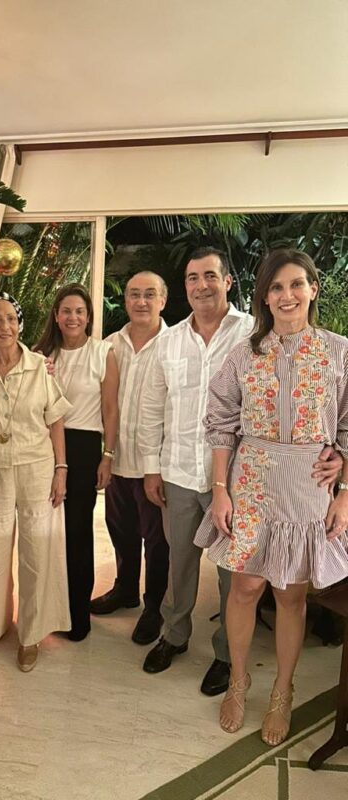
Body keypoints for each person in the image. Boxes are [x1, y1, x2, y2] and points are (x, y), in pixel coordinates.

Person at [139, 246, 341, 695]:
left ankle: (236, 663)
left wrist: (342, 470)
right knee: (186, 563)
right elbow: (174, 412)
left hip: (273, 482)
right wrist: (153, 467)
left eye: (210, 275)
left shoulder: (285, 341)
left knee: (256, 583)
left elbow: (340, 417)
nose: (201, 285)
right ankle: (186, 643)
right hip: (204, 473)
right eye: (192, 278)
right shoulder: (193, 344)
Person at [194, 249, 348, 745]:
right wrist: (221, 492)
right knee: (244, 589)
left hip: (310, 484)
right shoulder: (243, 354)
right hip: (253, 481)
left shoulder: (338, 352)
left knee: (291, 593)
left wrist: (343, 489)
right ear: (264, 295)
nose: (287, 296)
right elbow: (220, 423)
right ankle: (239, 681)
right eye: (277, 287)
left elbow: (346, 426)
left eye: (297, 284)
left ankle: (283, 690)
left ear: (313, 289)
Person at [0, 292, 71, 672]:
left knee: (38, 550)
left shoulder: (38, 366)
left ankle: (31, 634)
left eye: (11, 320)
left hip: (37, 467)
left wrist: (61, 469)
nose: (5, 327)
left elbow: (56, 419)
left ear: (21, 324)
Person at [35, 283, 119, 641]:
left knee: (78, 532)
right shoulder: (41, 354)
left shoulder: (103, 352)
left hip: (84, 447)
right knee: (46, 531)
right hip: (43, 445)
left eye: (79, 311)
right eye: (66, 311)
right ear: (56, 315)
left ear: (88, 317)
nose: (73, 317)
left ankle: (76, 614)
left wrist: (108, 455)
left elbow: (111, 409)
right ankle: (47, 610)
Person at [90, 271, 170, 646]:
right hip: (117, 458)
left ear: (163, 301)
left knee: (157, 541)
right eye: (134, 295)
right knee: (120, 530)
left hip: (155, 464)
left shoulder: (175, 345)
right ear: (125, 301)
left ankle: (154, 607)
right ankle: (125, 589)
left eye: (149, 295)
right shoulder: (109, 345)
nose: (141, 301)